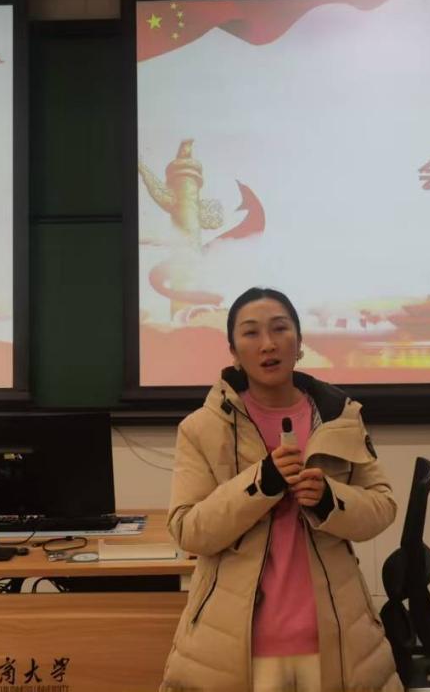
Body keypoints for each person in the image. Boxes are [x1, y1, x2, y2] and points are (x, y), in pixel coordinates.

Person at [160, 287, 404, 692]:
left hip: (336, 640)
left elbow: (382, 506)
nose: (268, 344)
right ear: (233, 351)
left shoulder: (339, 417)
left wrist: (330, 501)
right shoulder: (202, 428)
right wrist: (261, 484)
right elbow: (189, 530)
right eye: (251, 333)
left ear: (300, 342)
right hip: (236, 648)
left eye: (279, 329)